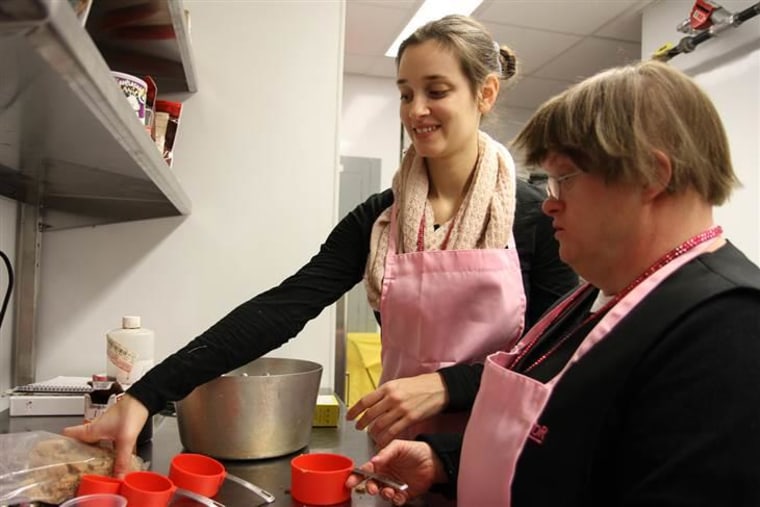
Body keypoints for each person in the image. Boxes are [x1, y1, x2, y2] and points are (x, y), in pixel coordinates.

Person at [64, 15, 577, 476]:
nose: (416, 109)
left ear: (484, 94)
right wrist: (145, 395)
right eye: (404, 93)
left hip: (503, 455)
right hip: (398, 458)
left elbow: (556, 350)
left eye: (436, 90)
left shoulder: (535, 216)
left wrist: (447, 385)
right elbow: (283, 307)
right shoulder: (381, 218)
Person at [347, 59, 760, 507]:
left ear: (651, 177)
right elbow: (567, 441)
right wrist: (446, 461)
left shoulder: (729, 328)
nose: (548, 205)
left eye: (563, 180)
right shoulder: (598, 297)